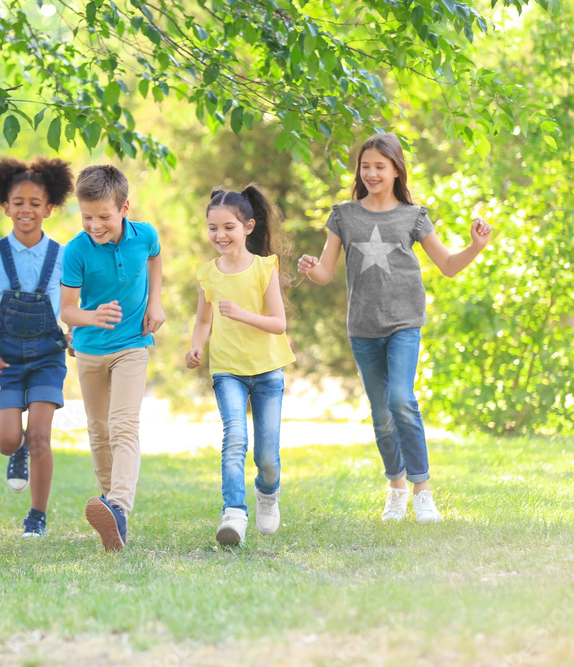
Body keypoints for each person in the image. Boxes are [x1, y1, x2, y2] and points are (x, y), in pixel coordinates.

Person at [298, 133, 492, 524]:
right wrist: (310, 269)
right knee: (381, 413)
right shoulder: (344, 215)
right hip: (362, 327)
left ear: (396, 169)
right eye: (365, 166)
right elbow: (325, 271)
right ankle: (396, 488)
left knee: (401, 400)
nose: (371, 173)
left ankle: (423, 491)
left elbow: (448, 266)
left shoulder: (414, 216)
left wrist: (475, 246)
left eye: (379, 166)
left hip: (404, 322)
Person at [60, 165, 165, 552]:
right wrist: (92, 316)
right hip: (89, 351)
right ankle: (112, 514)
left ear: (124, 208)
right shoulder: (76, 251)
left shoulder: (145, 236)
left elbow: (154, 259)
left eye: (103, 217)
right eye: (87, 217)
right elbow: (67, 310)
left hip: (133, 345)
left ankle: (118, 506)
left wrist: (155, 302)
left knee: (123, 425)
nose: (94, 225)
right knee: (99, 431)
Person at [186, 186, 296, 545]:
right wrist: (195, 347)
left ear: (248, 227)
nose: (220, 235)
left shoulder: (265, 268)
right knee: (234, 437)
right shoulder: (207, 274)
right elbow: (203, 320)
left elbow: (279, 323)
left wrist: (242, 314)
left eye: (228, 227)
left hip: (267, 370)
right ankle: (233, 513)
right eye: (213, 228)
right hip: (227, 369)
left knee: (267, 455)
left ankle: (268, 494)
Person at [0, 156, 75, 537]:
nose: (26, 210)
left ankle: (37, 516)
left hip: (48, 356)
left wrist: (74, 336)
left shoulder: (65, 255)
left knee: (39, 437)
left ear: (49, 208)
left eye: (35, 203)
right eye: (18, 202)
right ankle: (15, 452)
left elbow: (74, 306)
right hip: (5, 360)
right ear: (5, 206)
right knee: (6, 440)